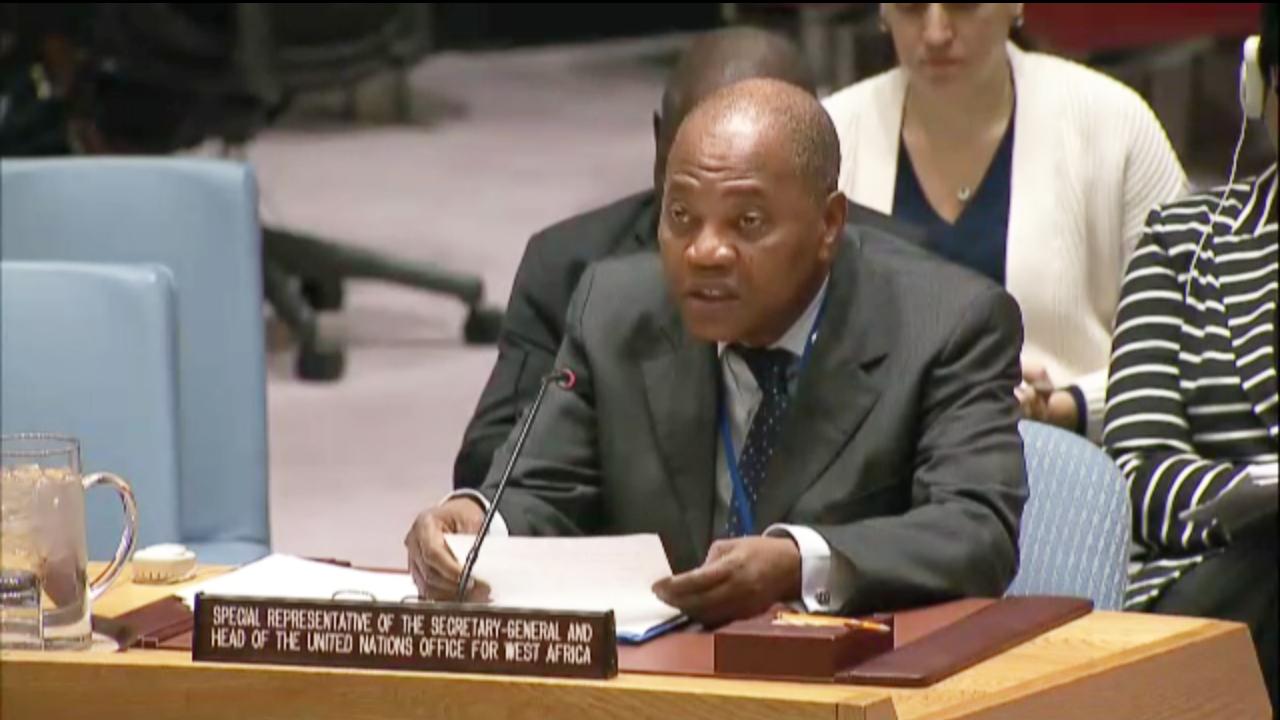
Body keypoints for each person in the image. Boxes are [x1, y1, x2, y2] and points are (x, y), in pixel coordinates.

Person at [410, 79, 1027, 625]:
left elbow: (975, 531)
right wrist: (475, 521)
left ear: (828, 225)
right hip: (660, 677)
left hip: (851, 678)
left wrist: (799, 562)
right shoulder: (615, 310)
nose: (704, 251)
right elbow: (544, 488)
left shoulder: (947, 325)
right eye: (681, 216)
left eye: (747, 222)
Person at [453, 27, 923, 489]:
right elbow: (491, 462)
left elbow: (943, 491)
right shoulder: (571, 270)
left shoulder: (904, 281)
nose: (708, 250)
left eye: (748, 215)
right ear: (662, 140)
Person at [823, 3, 1188, 441]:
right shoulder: (830, 135)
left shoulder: (1115, 124)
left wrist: (1067, 406)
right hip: (882, 460)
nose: (936, 33)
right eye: (911, 6)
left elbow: (1189, 343)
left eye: (963, 5)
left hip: (1071, 453)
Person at [1104, 5, 1278, 711]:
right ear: (1260, 88)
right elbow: (1138, 474)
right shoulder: (1184, 242)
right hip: (1226, 579)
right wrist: (1253, 496)